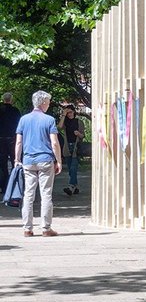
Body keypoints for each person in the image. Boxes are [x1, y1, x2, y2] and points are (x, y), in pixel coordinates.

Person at [15, 90, 62, 237]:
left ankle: (27, 228)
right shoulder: (49, 120)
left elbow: (18, 142)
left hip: (28, 161)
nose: (48, 105)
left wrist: (17, 159)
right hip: (45, 160)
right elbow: (54, 143)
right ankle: (46, 228)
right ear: (42, 103)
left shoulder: (23, 119)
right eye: (48, 102)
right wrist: (59, 160)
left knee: (28, 194)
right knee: (46, 194)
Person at [58, 104, 85, 196]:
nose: (69, 114)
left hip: (75, 147)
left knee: (73, 167)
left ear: (74, 112)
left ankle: (71, 187)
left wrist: (78, 134)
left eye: (70, 112)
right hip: (67, 147)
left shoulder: (79, 122)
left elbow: (83, 136)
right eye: (67, 112)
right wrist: (63, 115)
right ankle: (75, 187)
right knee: (70, 169)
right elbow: (59, 127)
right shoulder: (65, 122)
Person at [0, 92, 21, 193]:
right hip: (13, 138)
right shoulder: (15, 111)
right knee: (14, 161)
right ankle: (14, 184)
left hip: (1, 139)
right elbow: (19, 125)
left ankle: (4, 186)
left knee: (2, 163)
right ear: (11, 100)